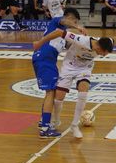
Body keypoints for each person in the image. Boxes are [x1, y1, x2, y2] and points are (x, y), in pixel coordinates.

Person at [33, 30, 114, 139]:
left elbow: (111, 40)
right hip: (69, 67)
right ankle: (56, 120)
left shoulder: (105, 43)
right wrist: (40, 42)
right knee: (58, 99)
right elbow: (58, 32)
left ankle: (74, 125)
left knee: (83, 91)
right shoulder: (81, 40)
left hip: (84, 69)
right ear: (99, 48)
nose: (103, 55)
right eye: (103, 53)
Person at [32, 8, 86, 138]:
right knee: (51, 92)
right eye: (74, 20)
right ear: (69, 17)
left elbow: (71, 45)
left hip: (48, 60)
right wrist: (78, 26)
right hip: (44, 59)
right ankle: (45, 129)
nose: (74, 23)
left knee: (51, 92)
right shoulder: (57, 21)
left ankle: (43, 121)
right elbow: (64, 21)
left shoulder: (63, 34)